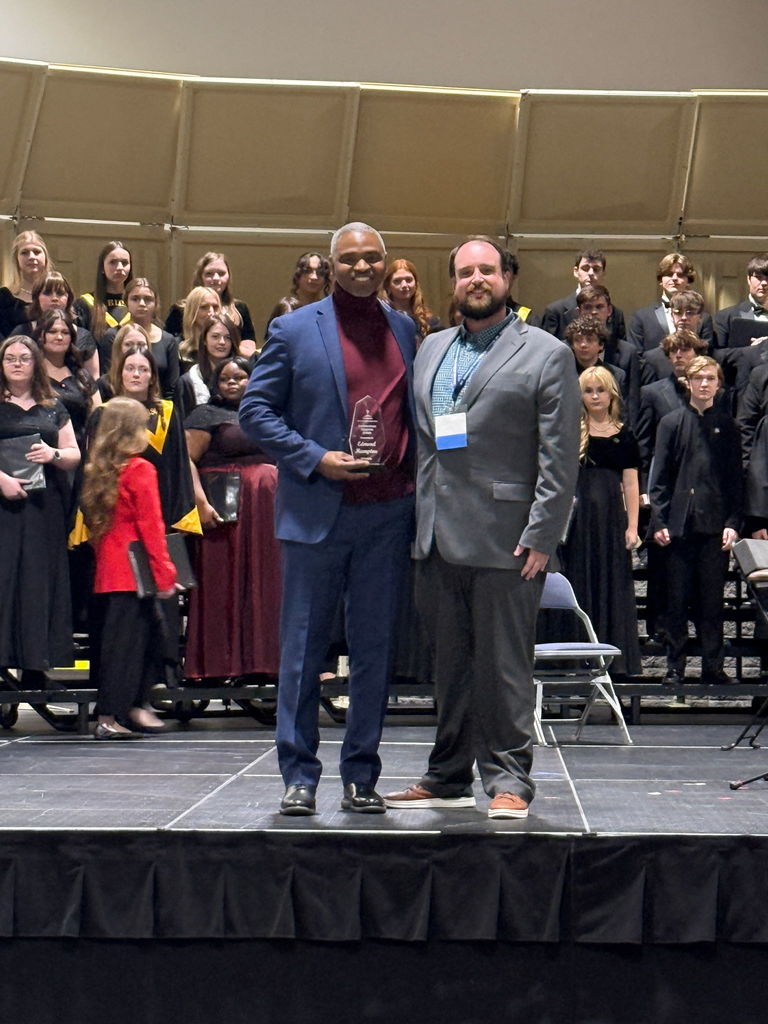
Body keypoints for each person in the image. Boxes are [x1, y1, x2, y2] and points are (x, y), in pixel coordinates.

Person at [384, 236, 580, 820]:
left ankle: (510, 780)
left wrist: (543, 534)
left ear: (507, 279)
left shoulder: (546, 352)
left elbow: (560, 454)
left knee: (504, 670)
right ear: (453, 282)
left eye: (487, 271)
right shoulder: (432, 347)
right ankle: (446, 774)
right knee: (450, 669)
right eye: (465, 271)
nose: (476, 279)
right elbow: (426, 445)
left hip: (508, 538)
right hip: (437, 534)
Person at [239, 221, 416, 817]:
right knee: (302, 650)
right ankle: (299, 776)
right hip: (317, 514)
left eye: (372, 259)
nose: (361, 268)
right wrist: (315, 458)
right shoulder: (293, 329)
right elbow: (256, 412)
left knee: (374, 651)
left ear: (385, 264)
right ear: (331, 265)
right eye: (350, 260)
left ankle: (361, 774)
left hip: (387, 515)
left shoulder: (405, 329)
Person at [81, 397, 177, 739]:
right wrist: (165, 574)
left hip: (110, 570)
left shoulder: (100, 470)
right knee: (128, 647)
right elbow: (151, 527)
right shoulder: (140, 469)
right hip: (134, 570)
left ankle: (131, 708)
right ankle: (110, 717)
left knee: (123, 643)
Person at [184, 357, 281, 681]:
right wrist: (200, 502)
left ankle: (263, 662)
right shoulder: (204, 414)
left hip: (265, 515)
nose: (232, 382)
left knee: (264, 584)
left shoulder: (268, 412)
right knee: (220, 584)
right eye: (225, 378)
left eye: (240, 376)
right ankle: (217, 664)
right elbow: (186, 460)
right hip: (223, 512)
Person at [649, 356, 742, 686]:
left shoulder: (728, 425)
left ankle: (713, 667)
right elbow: (658, 478)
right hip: (678, 527)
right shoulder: (671, 423)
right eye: (699, 378)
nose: (705, 384)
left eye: (711, 378)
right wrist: (659, 521)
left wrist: (733, 522)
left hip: (715, 527)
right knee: (676, 601)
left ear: (719, 383)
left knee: (712, 602)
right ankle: (675, 667)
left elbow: (734, 480)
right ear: (687, 382)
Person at [0, 336, 80, 686]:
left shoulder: (53, 405)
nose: (17, 363)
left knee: (38, 582)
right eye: (9, 358)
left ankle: (36, 664)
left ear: (35, 364)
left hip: (44, 506)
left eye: (24, 358)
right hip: (3, 506)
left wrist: (54, 455)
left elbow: (74, 452)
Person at [561, 366, 641, 677]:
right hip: (578, 523)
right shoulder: (571, 431)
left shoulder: (625, 435)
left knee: (611, 585)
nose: (595, 396)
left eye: (600, 390)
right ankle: (574, 659)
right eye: (588, 390)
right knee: (579, 583)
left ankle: (611, 663)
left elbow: (632, 484)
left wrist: (632, 527)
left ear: (611, 395)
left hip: (611, 522)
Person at [98, 278, 180, 398]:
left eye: (148, 299)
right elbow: (108, 379)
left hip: (156, 405)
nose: (141, 303)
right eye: (135, 299)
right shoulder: (113, 335)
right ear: (126, 302)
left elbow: (171, 389)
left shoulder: (168, 340)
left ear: (156, 303)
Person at [11, 271, 99, 379]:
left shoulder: (84, 336)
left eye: (60, 293)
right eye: (47, 293)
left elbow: (94, 379)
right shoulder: (21, 332)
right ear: (36, 298)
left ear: (68, 298)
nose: (54, 298)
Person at [165, 252, 256, 356]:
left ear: (229, 277)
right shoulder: (180, 309)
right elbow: (168, 345)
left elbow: (249, 351)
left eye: (221, 273)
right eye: (209, 273)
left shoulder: (240, 308)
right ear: (200, 277)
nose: (216, 278)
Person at [627, 253, 714, 353]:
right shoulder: (641, 317)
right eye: (669, 274)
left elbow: (707, 354)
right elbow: (636, 356)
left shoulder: (704, 318)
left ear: (688, 281)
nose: (674, 278)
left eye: (680, 275)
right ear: (661, 279)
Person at [541, 249, 625, 341]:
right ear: (576, 272)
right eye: (585, 268)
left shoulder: (616, 313)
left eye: (596, 269)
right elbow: (546, 348)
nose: (591, 273)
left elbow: (620, 350)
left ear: (604, 272)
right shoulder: (556, 311)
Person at [177, 313, 240, 418]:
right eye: (215, 337)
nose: (222, 342)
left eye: (228, 337)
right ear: (204, 340)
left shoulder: (244, 378)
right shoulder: (188, 382)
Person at [74, 241, 132, 342]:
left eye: (125, 262)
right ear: (102, 268)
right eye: (113, 262)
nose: (119, 267)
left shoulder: (137, 302)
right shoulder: (85, 304)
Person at [264, 251, 332, 336]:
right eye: (308, 271)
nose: (314, 277)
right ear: (298, 275)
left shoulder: (330, 311)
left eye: (320, 273)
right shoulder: (287, 307)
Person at [0, 230, 52, 338]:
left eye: (37, 252)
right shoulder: (3, 297)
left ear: (45, 257)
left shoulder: (58, 294)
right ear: (16, 259)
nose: (32, 257)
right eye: (24, 252)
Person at [714, 254, 768, 349]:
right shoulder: (725, 317)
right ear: (748, 279)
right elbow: (717, 356)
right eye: (759, 277)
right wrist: (749, 351)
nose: (764, 283)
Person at [381, 258, 440, 340]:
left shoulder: (429, 321)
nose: (404, 285)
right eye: (397, 281)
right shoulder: (381, 318)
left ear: (415, 284)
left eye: (409, 280)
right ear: (388, 286)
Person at [177, 287, 221, 373]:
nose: (211, 312)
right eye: (204, 307)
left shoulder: (225, 344)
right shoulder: (177, 347)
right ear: (192, 311)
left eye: (215, 307)